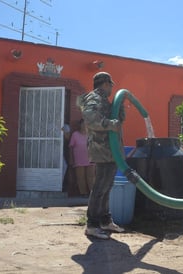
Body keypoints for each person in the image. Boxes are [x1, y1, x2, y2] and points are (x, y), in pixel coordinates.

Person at [77, 71, 125, 240]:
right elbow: (90, 118)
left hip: (110, 150)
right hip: (101, 149)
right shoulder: (94, 98)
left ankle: (105, 220)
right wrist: (108, 124)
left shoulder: (104, 100)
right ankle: (92, 224)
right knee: (100, 187)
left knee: (107, 186)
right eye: (111, 84)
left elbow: (118, 120)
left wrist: (120, 108)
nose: (112, 87)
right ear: (105, 83)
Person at [69, 119, 95, 196]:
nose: (84, 126)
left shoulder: (91, 134)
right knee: (80, 177)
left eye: (86, 124)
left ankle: (92, 193)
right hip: (79, 160)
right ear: (80, 125)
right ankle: (83, 193)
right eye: (83, 124)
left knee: (91, 177)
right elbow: (71, 147)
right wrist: (71, 159)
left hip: (91, 159)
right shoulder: (75, 135)